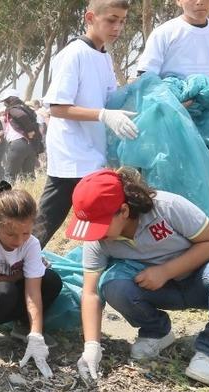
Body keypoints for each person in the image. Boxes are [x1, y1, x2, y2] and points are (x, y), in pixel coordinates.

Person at [67, 168, 209, 385]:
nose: (94, 235)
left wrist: (165, 271)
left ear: (123, 211)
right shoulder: (99, 240)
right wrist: (91, 346)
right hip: (160, 290)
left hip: (202, 280)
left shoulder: (167, 207)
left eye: (99, 225)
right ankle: (157, 332)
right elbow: (90, 293)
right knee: (113, 285)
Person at [34, 0, 135, 249]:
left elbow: (111, 99)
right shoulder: (74, 54)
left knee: (104, 223)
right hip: (72, 155)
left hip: (93, 154)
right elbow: (57, 107)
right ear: (90, 17)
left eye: (122, 21)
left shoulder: (103, 57)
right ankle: (10, 269)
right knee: (45, 224)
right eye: (112, 19)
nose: (118, 27)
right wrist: (103, 115)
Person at [135, 0, 209, 247]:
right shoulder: (165, 33)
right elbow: (146, 77)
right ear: (178, 1)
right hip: (173, 125)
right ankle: (173, 248)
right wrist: (175, 101)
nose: (199, 2)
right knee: (175, 189)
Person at [0, 183, 62, 376]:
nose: (19, 241)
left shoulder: (31, 244)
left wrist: (36, 334)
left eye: (26, 233)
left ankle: (24, 328)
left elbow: (33, 292)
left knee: (51, 280)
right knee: (5, 290)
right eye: (11, 234)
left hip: (6, 299)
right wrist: (17, 275)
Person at [0, 89, 42, 182]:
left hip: (17, 144)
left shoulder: (13, 109)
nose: (4, 103)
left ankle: (5, 196)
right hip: (30, 145)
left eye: (5, 100)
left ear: (10, 99)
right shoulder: (24, 107)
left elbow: (21, 116)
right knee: (28, 177)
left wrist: (29, 130)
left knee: (9, 176)